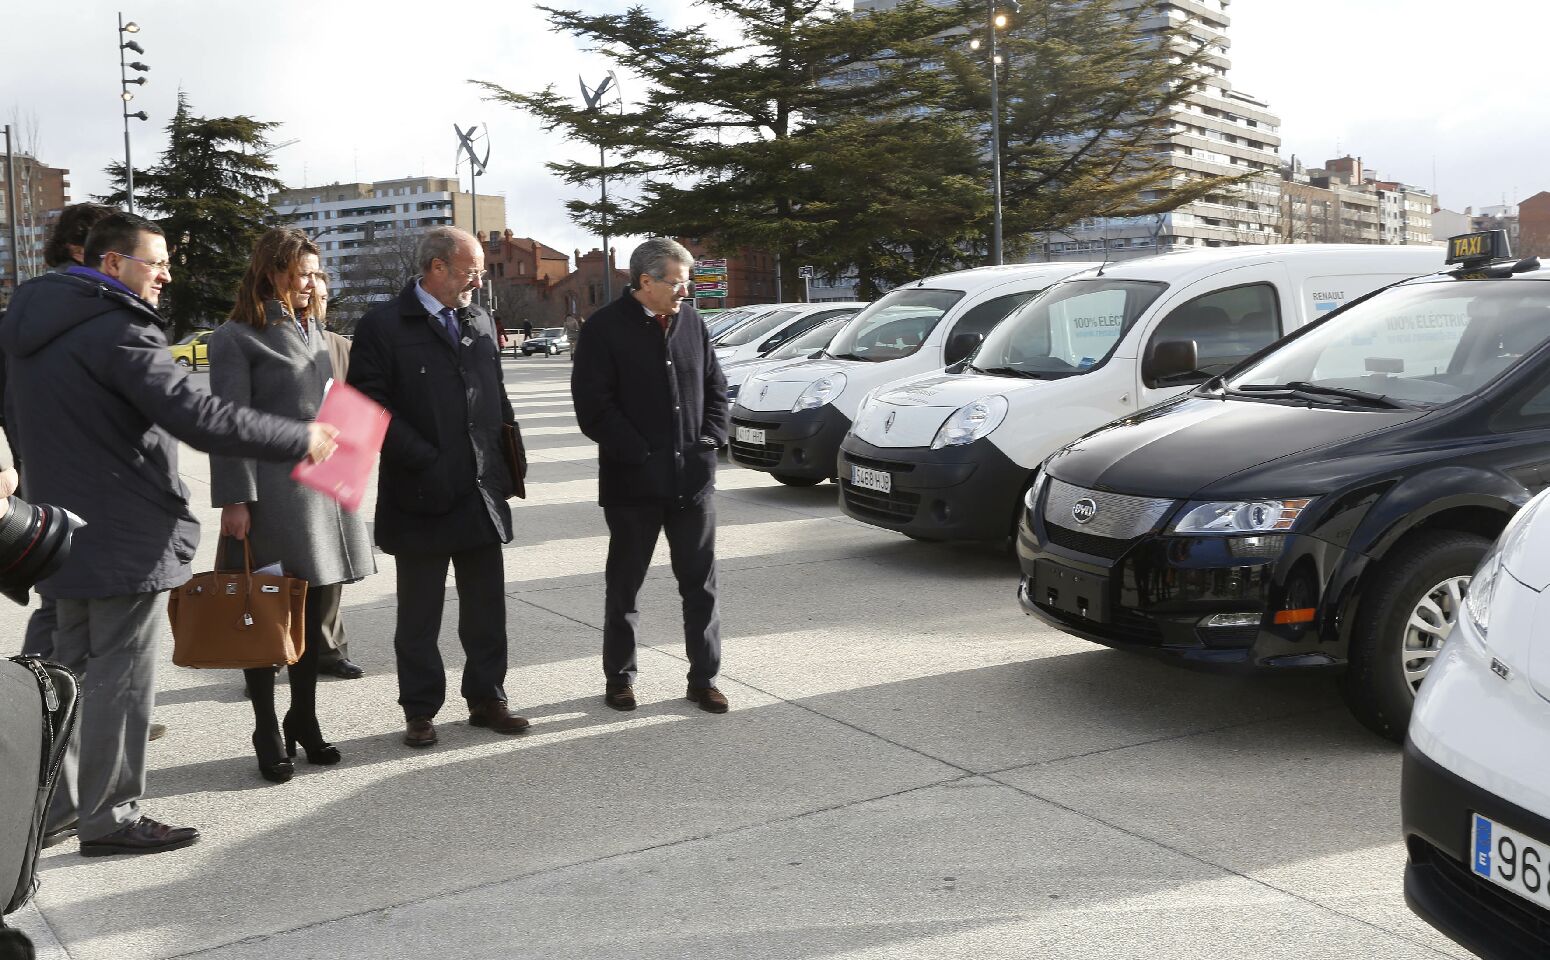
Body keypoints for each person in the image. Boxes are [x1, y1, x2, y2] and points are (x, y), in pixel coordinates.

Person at [0, 212, 338, 856]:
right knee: (120, 679)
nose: (164, 274)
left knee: (65, 673)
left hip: (56, 531)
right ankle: (110, 818)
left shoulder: (29, 324)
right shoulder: (116, 328)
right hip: (124, 533)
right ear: (111, 265)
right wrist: (297, 436)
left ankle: (53, 809)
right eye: (153, 262)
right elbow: (195, 413)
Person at [347, 226, 527, 748]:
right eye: (471, 267)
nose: (480, 277)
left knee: (486, 609)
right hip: (420, 492)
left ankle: (488, 697)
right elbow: (367, 409)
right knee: (419, 616)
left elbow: (496, 394)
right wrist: (424, 457)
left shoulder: (478, 317)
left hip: (479, 490)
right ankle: (420, 710)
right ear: (437, 268)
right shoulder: (383, 326)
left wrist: (510, 457)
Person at [209, 230, 376, 784]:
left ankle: (303, 717)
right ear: (272, 271)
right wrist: (235, 499)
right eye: (301, 273)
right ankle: (266, 727)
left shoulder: (316, 331)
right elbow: (229, 425)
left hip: (325, 488)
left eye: (314, 273)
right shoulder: (236, 338)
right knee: (268, 612)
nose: (310, 284)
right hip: (275, 496)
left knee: (310, 609)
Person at [570, 237, 730, 714]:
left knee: (700, 585)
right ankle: (619, 678)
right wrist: (640, 452)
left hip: (692, 484)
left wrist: (710, 439)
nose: (686, 292)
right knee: (625, 586)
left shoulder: (692, 324)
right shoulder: (603, 330)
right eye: (678, 283)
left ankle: (704, 678)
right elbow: (594, 409)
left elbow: (716, 387)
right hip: (633, 485)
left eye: (687, 282)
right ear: (645, 282)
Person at [309, 270, 366, 681]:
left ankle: (329, 649)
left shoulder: (342, 347)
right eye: (313, 295)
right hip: (279, 467)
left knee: (330, 568)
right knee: (276, 571)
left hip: (332, 465)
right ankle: (268, 651)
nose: (318, 304)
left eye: (325, 298)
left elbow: (361, 405)